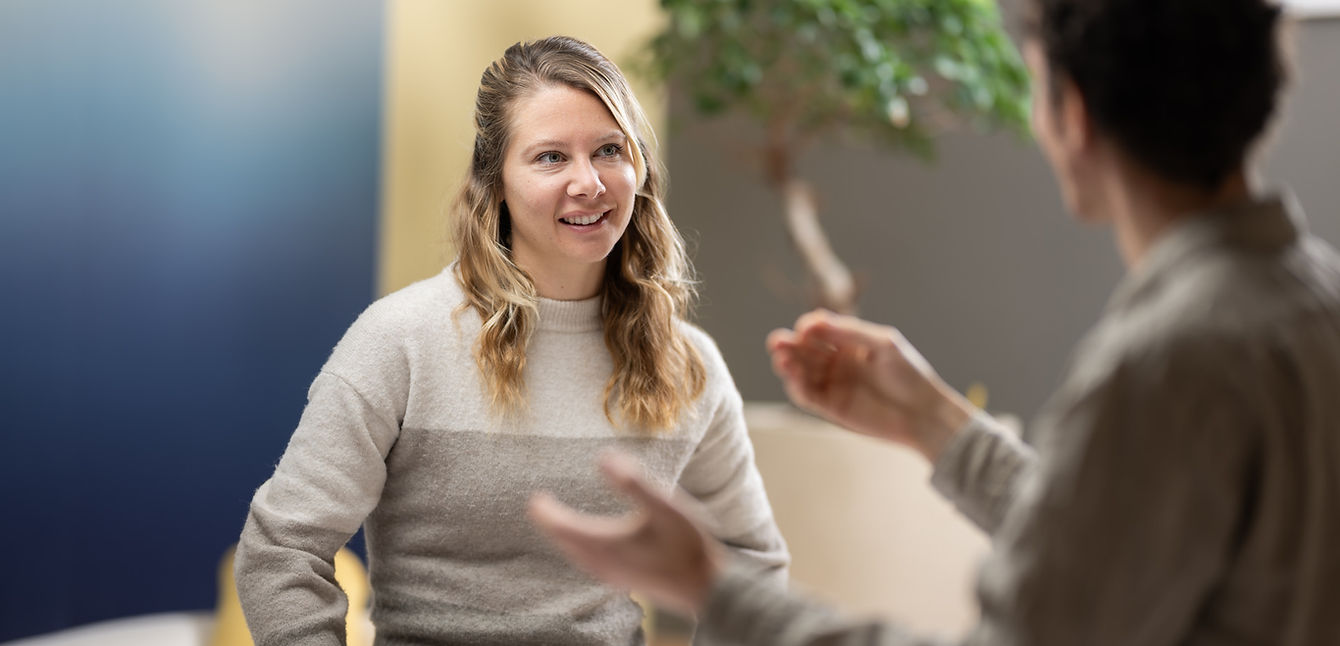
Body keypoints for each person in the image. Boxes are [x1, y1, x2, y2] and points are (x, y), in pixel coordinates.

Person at [530, 1, 1340, 644]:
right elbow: (1110, 543)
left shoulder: (1169, 360)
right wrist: (933, 419)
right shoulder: (1312, 300)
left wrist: (713, 590)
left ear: (1075, 114)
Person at [234, 35, 788, 646]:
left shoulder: (689, 366)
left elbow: (750, 559)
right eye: (551, 157)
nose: (588, 183)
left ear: (640, 169)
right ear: (494, 182)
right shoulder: (400, 342)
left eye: (609, 150)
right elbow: (282, 547)